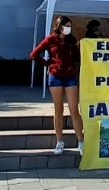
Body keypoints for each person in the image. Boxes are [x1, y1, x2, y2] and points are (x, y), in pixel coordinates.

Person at [29, 16, 84, 156]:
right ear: (59, 26)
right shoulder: (50, 39)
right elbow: (34, 54)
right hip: (55, 77)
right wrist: (49, 64)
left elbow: (78, 58)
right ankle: (59, 141)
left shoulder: (72, 40)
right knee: (58, 109)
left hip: (70, 77)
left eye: (70, 26)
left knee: (74, 109)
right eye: (66, 25)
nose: (68, 28)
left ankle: (81, 141)